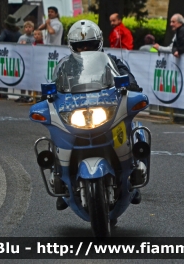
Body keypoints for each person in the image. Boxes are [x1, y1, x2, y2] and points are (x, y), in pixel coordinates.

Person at [52, 19, 141, 210]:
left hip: (106, 110)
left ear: (98, 43)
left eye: (90, 45)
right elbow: (52, 90)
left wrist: (131, 87)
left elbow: (130, 81)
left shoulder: (113, 61)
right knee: (56, 132)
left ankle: (134, 171)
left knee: (135, 128)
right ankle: (61, 178)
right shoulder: (63, 66)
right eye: (80, 46)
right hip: (76, 111)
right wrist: (47, 98)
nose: (85, 49)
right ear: (72, 46)